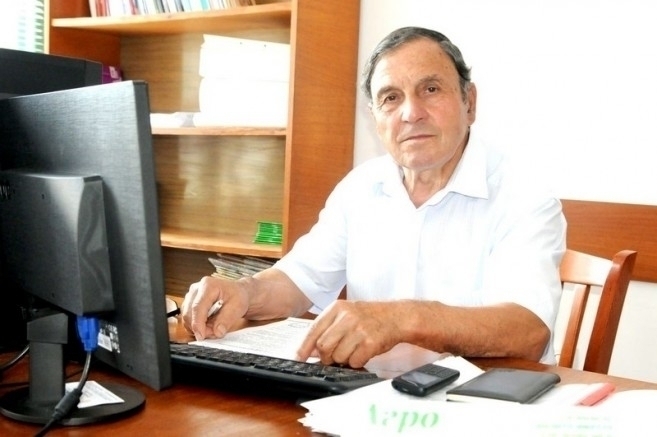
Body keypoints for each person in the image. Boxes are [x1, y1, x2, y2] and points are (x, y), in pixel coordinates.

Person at [182, 26, 566, 368]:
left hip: (483, 402)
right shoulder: (361, 187)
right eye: (391, 97)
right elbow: (299, 280)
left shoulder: (523, 195)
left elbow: (528, 331)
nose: (411, 113)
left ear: (470, 102)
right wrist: (243, 291)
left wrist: (402, 319)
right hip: (370, 397)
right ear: (375, 117)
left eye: (431, 89)